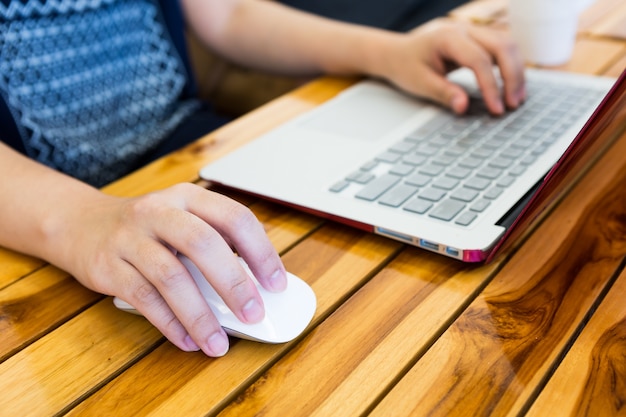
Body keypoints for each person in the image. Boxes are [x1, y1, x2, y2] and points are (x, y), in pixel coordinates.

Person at [0, 0, 526, 358]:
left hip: (191, 154)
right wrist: (80, 220)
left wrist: (386, 51)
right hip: (37, 211)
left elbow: (230, 14)